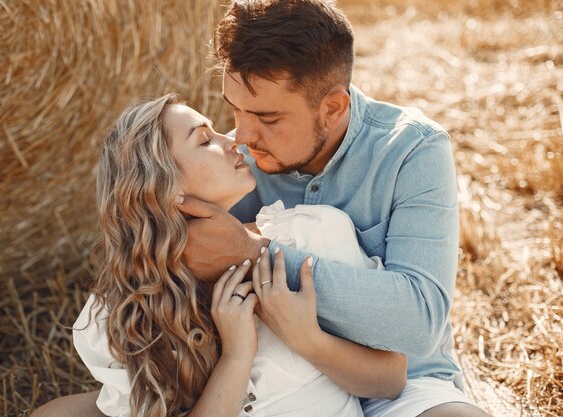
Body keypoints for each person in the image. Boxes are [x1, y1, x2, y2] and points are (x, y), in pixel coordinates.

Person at [176, 1, 491, 417]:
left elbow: (420, 323)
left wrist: (254, 251)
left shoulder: (413, 149)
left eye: (268, 118)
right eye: (236, 109)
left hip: (401, 388)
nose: (243, 135)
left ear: (333, 108)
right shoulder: (232, 162)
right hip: (273, 382)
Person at [32, 94, 407, 417]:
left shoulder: (312, 233)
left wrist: (305, 336)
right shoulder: (120, 312)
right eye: (204, 140)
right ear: (163, 186)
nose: (233, 141)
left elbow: (389, 381)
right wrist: (236, 356)